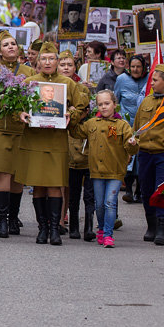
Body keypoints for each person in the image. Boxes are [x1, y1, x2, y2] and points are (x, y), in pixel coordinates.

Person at [16, 41, 89, 244]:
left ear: (57, 61)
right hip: (34, 140)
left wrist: (70, 114)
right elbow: (16, 106)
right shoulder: (30, 82)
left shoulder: (68, 84)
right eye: (44, 58)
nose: (47, 62)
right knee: (39, 185)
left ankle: (55, 229)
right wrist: (20, 114)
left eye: (51, 58)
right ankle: (42, 228)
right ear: (38, 61)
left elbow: (83, 104)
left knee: (55, 185)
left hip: (56, 141)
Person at [69, 90, 139, 247]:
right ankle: (101, 229)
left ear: (115, 104)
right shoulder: (91, 123)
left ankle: (108, 234)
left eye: (107, 103)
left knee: (110, 202)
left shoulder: (122, 125)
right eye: (100, 104)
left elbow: (131, 148)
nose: (104, 107)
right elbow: (75, 132)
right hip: (96, 171)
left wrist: (133, 144)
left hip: (115, 171)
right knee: (99, 204)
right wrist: (73, 116)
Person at [133, 63, 164, 245]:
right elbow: (137, 126)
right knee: (146, 191)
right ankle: (151, 226)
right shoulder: (146, 101)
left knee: (162, 191)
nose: (151, 83)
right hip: (145, 153)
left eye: (155, 80)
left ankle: (161, 228)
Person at [0, 31, 32, 238]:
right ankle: (2, 220)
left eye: (13, 44)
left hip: (22, 129)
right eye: (5, 45)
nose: (11, 47)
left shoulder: (28, 71)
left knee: (17, 175)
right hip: (0, 127)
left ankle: (14, 218)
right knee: (2, 173)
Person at [59, 52, 95, 241]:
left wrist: (74, 113)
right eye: (62, 64)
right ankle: (60, 220)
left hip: (75, 136)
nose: (65, 67)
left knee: (75, 184)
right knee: (59, 182)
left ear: (75, 67)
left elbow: (85, 112)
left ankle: (79, 224)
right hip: (56, 135)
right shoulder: (52, 85)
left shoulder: (82, 89)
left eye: (69, 64)